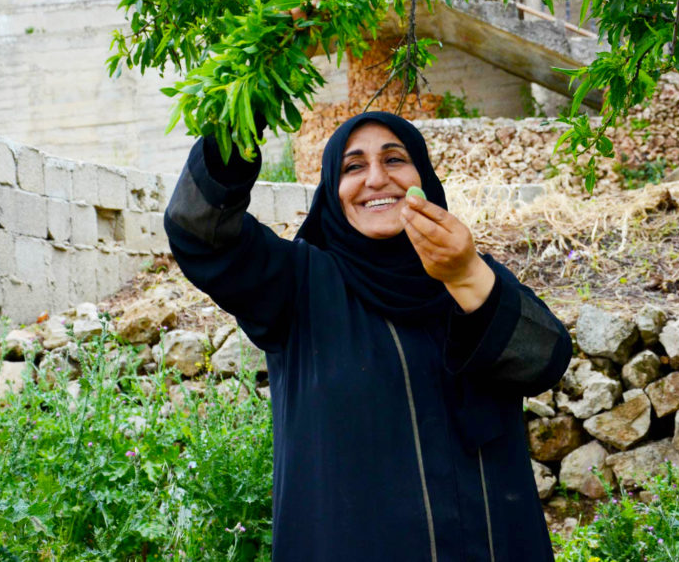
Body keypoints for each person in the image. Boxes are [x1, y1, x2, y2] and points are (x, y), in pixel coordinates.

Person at [164, 111, 572, 561]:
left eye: (395, 160)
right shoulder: (297, 286)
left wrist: (466, 275)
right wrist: (232, 133)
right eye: (353, 167)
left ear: (423, 177)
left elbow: (545, 359)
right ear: (332, 192)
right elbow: (199, 233)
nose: (376, 179)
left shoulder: (469, 274)